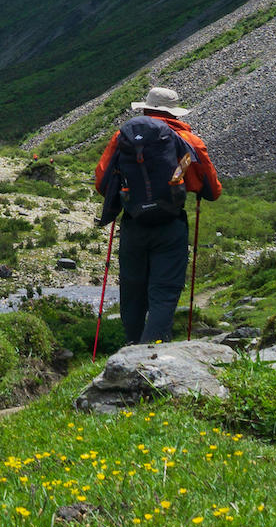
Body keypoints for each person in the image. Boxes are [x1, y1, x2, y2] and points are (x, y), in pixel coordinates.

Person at [92, 85, 222, 345]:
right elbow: (211, 190)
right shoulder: (188, 141)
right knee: (165, 290)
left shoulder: (123, 138)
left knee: (132, 289)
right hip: (170, 225)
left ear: (146, 108)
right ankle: (152, 347)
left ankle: (131, 346)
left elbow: (101, 182)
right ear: (173, 113)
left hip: (133, 224)